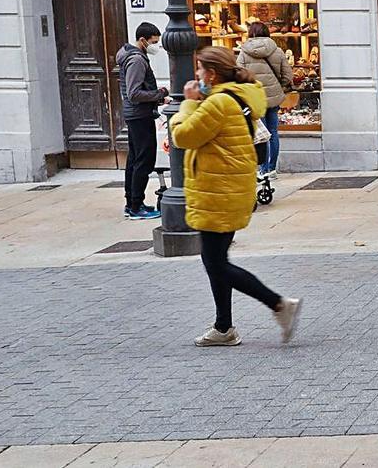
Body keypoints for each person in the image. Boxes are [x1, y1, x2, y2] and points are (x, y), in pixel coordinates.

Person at [170, 46, 302, 347]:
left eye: (201, 70)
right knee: (216, 258)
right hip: (227, 187)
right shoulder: (238, 95)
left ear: (212, 74)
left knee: (215, 262)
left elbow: (184, 136)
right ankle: (224, 326)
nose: (198, 75)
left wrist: (188, 104)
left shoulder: (218, 103)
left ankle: (279, 305)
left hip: (218, 191)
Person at [116, 22, 168, 220]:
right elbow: (134, 93)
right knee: (143, 161)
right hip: (139, 115)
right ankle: (136, 205)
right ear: (143, 40)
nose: (156, 46)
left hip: (136, 114)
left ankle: (133, 202)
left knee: (135, 159)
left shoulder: (133, 57)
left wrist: (159, 98)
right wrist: (160, 93)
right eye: (154, 42)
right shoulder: (137, 60)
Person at [236, 21, 294, 178]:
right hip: (274, 97)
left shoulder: (244, 52)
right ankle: (272, 168)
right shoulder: (277, 51)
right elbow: (288, 75)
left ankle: (263, 169)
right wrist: (279, 86)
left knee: (261, 133)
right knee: (273, 132)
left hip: (254, 97)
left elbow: (238, 75)